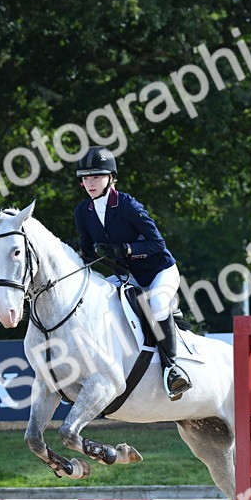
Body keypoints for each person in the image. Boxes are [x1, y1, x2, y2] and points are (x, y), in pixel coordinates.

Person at [73, 146, 192, 400]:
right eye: (85, 178)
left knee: (158, 304)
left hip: (158, 271)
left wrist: (124, 248)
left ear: (111, 178)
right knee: (94, 304)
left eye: (96, 177)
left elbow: (157, 244)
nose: (90, 182)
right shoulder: (83, 211)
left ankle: (172, 369)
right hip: (127, 277)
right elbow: (86, 250)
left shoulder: (128, 205)